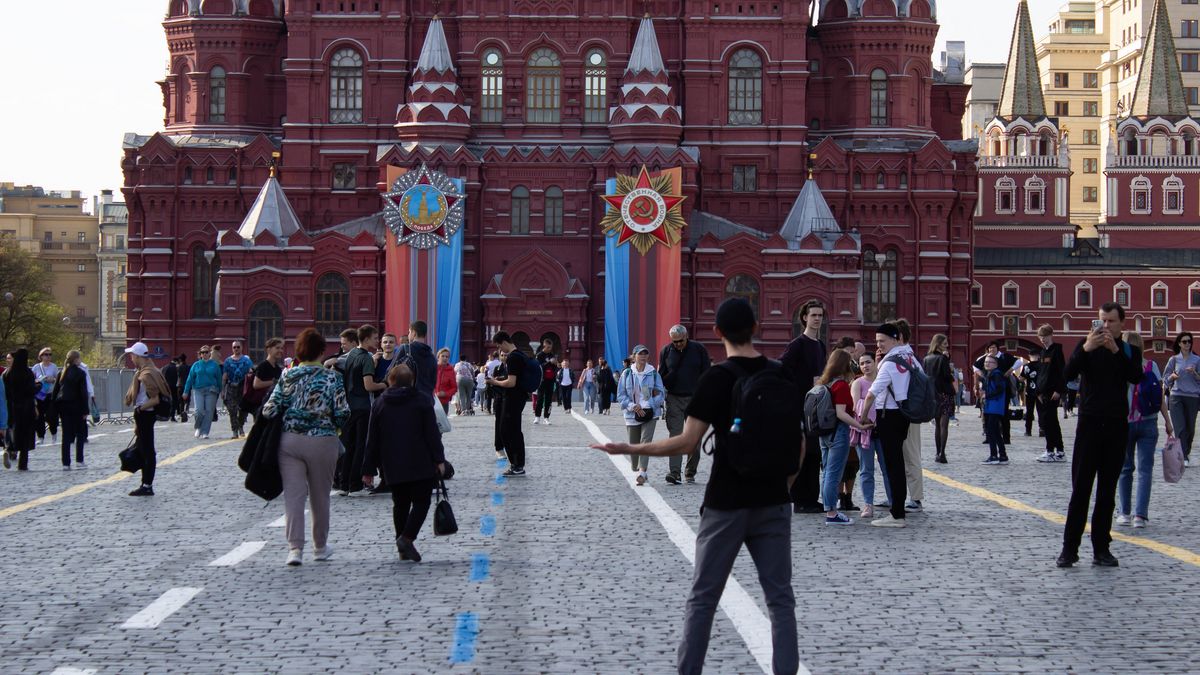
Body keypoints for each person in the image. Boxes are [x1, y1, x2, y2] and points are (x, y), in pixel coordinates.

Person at [591, 298, 800, 675]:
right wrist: (783, 487)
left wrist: (628, 448)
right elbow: (800, 444)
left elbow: (687, 442)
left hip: (726, 502)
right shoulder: (782, 374)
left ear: (717, 333)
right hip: (772, 502)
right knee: (781, 603)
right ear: (755, 327)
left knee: (703, 600)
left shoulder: (718, 379)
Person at [1057, 303, 1144, 569]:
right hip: (1089, 424)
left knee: (1107, 491)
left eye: (1111, 322)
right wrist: (1085, 350)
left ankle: (1101, 549)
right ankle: (1069, 550)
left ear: (1122, 324)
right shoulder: (1085, 346)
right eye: (1102, 321)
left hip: (1117, 425)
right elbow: (1067, 375)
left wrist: (1116, 351)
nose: (1105, 326)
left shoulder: (1130, 351)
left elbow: (1135, 376)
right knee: (1081, 490)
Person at [261, 328, 349, 566]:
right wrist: (331, 425)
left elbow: (269, 409)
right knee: (321, 497)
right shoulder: (333, 378)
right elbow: (343, 412)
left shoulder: (287, 376)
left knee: (294, 497)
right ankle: (320, 547)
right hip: (324, 442)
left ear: (299, 352)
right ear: (322, 352)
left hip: (290, 442)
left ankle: (294, 550)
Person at [362, 364, 447, 563]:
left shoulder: (380, 403)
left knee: (400, 504)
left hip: (391, 462)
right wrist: (439, 459)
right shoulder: (421, 400)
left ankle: (402, 546)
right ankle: (407, 538)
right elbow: (432, 434)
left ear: (390, 381)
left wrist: (368, 469)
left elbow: (372, 438)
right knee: (421, 502)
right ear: (412, 381)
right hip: (420, 460)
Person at [856, 322, 918, 528]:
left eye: (882, 341)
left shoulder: (890, 362)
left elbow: (873, 392)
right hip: (903, 414)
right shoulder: (910, 356)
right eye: (877, 341)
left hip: (889, 416)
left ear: (895, 338)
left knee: (894, 466)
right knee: (896, 463)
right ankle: (897, 510)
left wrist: (863, 417)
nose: (879, 345)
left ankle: (897, 514)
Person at [1116, 331, 1173, 529]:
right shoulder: (1152, 365)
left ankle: (1124, 513)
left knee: (1125, 469)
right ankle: (1140, 516)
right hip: (1149, 421)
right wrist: (1167, 421)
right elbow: (1160, 395)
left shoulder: (1118, 365)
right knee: (1145, 470)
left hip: (1124, 422)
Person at [779, 299, 827, 513]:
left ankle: (811, 497)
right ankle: (799, 500)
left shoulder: (820, 345)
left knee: (815, 453)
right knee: (803, 452)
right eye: (813, 315)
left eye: (820, 315)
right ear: (804, 318)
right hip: (800, 406)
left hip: (815, 408)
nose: (817, 319)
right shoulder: (797, 344)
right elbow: (782, 370)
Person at [817, 350, 873, 525]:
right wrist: (859, 425)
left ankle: (829, 509)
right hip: (838, 433)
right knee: (834, 474)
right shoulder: (840, 385)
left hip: (824, 433)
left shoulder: (824, 383)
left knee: (827, 473)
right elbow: (841, 413)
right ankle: (832, 513)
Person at [659, 324, 712, 485]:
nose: (677, 344)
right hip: (674, 398)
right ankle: (674, 473)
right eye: (674, 342)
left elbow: (707, 373)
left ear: (686, 337)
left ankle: (690, 471)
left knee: (694, 438)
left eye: (680, 341)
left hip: (695, 399)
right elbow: (661, 375)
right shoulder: (666, 351)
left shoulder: (699, 350)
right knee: (675, 436)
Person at [123, 342, 169, 496]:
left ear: (137, 356)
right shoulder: (148, 370)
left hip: (145, 414)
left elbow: (155, 399)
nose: (131, 357)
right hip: (144, 415)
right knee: (143, 449)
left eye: (132, 355)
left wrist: (140, 409)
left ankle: (147, 485)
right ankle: (145, 483)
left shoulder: (146, 374)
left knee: (148, 451)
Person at [337, 325, 378, 496]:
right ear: (367, 339)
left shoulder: (352, 354)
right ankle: (355, 484)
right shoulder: (366, 358)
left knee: (349, 446)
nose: (377, 341)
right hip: (362, 407)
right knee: (361, 446)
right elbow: (369, 385)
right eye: (375, 338)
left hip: (349, 405)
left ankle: (344, 483)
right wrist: (385, 384)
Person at [618, 345, 666, 486]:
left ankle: (642, 472)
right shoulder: (626, 374)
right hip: (632, 413)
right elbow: (621, 395)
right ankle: (637, 468)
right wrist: (633, 406)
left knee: (645, 443)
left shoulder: (653, 373)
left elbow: (661, 393)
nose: (643, 356)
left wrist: (650, 404)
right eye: (640, 354)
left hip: (650, 413)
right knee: (634, 447)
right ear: (634, 357)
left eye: (646, 354)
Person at [850, 353, 890, 518]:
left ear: (875, 363)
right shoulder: (858, 383)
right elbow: (855, 406)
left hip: (883, 429)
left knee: (887, 468)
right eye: (862, 363)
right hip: (864, 429)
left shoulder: (883, 381)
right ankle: (868, 504)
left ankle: (893, 500)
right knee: (866, 469)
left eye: (868, 362)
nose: (865, 366)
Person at [486, 332, 530, 476]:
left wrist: (494, 382)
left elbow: (511, 382)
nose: (500, 350)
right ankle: (518, 465)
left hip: (512, 398)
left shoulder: (513, 358)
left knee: (507, 430)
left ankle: (516, 465)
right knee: (513, 430)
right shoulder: (521, 355)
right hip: (519, 397)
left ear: (504, 342)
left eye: (499, 345)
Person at [894, 319, 924, 512]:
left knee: (910, 455)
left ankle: (915, 498)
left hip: (906, 412)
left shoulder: (905, 358)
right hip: (905, 412)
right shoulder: (907, 357)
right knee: (901, 456)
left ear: (900, 337)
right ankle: (899, 495)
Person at [1164, 331, 1200, 467]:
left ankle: (1186, 451)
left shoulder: (1197, 360)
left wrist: (1195, 373)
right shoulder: (1173, 360)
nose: (1187, 344)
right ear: (1179, 343)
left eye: (1189, 342)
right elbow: (1165, 379)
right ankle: (1183, 456)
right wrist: (1172, 377)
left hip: (1192, 397)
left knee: (1190, 429)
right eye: (1184, 342)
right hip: (1176, 396)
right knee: (1180, 428)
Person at [51, 350, 90, 470]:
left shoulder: (61, 373)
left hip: (63, 406)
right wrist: (85, 410)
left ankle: (66, 463)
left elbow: (55, 391)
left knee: (66, 435)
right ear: (76, 359)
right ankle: (79, 460)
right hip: (77, 406)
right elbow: (83, 393)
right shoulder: (80, 373)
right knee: (80, 434)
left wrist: (54, 407)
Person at [1035, 325, 1068, 463]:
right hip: (1042, 392)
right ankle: (1055, 451)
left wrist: (1059, 390)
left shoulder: (1057, 351)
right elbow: (1041, 373)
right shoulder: (1043, 352)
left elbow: (1062, 372)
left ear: (1051, 335)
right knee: (1046, 421)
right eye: (1041, 337)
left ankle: (1054, 451)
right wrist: (1038, 391)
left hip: (1053, 391)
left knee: (1051, 422)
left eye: (1045, 336)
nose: (1043, 339)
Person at [923, 334, 955, 464]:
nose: (946, 346)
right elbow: (947, 376)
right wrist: (949, 366)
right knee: (944, 425)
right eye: (944, 344)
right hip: (945, 394)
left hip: (933, 395)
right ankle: (942, 453)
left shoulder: (926, 359)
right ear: (938, 344)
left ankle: (937, 452)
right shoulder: (942, 358)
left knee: (937, 425)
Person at [3, 349, 37, 471]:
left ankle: (9, 449)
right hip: (26, 407)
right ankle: (23, 464)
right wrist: (38, 387)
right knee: (25, 436)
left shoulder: (8, 373)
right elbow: (30, 390)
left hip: (11, 406)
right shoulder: (28, 373)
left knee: (12, 430)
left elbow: (4, 391)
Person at [182, 345, 221, 439]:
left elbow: (219, 378)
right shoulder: (196, 365)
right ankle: (198, 427)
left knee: (209, 411)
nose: (204, 354)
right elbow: (190, 379)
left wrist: (220, 391)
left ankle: (205, 432)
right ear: (200, 354)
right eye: (202, 352)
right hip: (198, 390)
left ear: (209, 353)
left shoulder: (214, 365)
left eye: (206, 352)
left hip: (211, 390)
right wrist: (186, 391)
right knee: (198, 411)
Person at [396, 321, 437, 402]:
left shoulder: (405, 349)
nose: (408, 335)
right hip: (427, 400)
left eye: (409, 332)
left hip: (408, 399)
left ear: (414, 333)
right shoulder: (431, 355)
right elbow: (433, 381)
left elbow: (390, 373)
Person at [980, 355, 1010, 466]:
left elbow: (999, 389)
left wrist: (987, 395)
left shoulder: (996, 374)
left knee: (991, 431)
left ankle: (993, 456)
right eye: (986, 362)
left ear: (996, 364)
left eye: (990, 362)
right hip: (992, 406)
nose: (987, 363)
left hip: (994, 405)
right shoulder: (991, 374)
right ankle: (1003, 455)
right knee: (996, 432)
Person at [222, 341, 254, 438]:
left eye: (238, 347)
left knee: (243, 409)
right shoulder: (228, 361)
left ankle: (241, 426)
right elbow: (225, 376)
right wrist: (222, 390)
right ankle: (235, 430)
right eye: (234, 347)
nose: (236, 349)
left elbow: (251, 372)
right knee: (232, 410)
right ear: (232, 348)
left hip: (243, 387)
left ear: (241, 348)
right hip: (231, 387)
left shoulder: (246, 360)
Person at [32, 347, 59, 446]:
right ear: (41, 356)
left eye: (50, 354)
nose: (48, 357)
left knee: (51, 415)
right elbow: (32, 380)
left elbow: (58, 380)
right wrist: (40, 380)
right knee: (39, 417)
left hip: (50, 394)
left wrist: (53, 379)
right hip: (39, 395)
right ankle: (41, 437)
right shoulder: (36, 367)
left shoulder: (54, 367)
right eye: (46, 354)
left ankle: (54, 433)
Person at [251, 338, 285, 416]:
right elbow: (256, 384)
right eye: (277, 348)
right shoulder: (263, 366)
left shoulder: (277, 368)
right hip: (261, 406)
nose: (280, 350)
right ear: (269, 350)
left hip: (273, 405)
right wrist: (274, 382)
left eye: (281, 348)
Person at [534, 338, 558, 425]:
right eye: (548, 347)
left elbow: (555, 368)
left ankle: (546, 417)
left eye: (550, 347)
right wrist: (549, 362)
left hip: (551, 380)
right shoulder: (539, 355)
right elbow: (538, 367)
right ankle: (537, 416)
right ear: (544, 346)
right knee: (540, 398)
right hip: (542, 380)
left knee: (549, 399)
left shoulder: (552, 355)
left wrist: (555, 364)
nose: (549, 349)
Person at [1019, 351, 1042, 437]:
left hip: (1029, 391)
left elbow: (1021, 378)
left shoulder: (1026, 366)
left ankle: (1028, 430)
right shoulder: (1042, 365)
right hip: (1040, 391)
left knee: (1029, 411)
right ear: (1038, 356)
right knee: (1041, 411)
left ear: (1029, 356)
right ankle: (1042, 429)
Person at [434, 348, 456, 415]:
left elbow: (454, 388)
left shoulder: (451, 371)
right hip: (432, 400)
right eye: (442, 356)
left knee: (442, 424)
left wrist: (445, 393)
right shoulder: (432, 368)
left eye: (447, 357)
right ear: (438, 357)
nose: (445, 358)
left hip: (444, 402)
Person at [163, 357, 180, 422]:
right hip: (173, 386)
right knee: (174, 401)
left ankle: (165, 415)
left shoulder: (164, 367)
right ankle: (172, 416)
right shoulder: (176, 368)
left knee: (166, 401)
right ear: (176, 361)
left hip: (165, 386)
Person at [175, 354, 191, 422]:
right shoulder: (188, 367)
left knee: (180, 401)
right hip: (187, 385)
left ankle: (181, 413)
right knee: (187, 401)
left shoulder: (178, 367)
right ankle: (185, 411)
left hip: (179, 385)